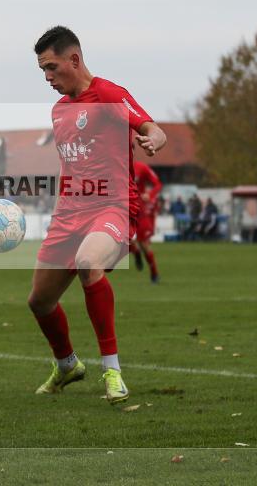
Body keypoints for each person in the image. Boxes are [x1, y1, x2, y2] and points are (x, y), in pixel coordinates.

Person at [27, 26, 166, 405]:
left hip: (113, 208)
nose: (48, 77)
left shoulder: (109, 95)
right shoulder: (58, 112)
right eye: (42, 70)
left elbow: (153, 128)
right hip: (69, 214)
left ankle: (113, 370)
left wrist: (151, 139)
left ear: (74, 59)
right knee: (39, 301)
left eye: (52, 67)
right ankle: (68, 364)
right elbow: (69, 169)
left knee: (90, 262)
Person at [131, 159, 162, 283]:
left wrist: (150, 194)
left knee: (144, 244)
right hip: (123, 209)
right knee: (123, 240)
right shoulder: (115, 167)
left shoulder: (141, 168)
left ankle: (154, 273)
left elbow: (158, 184)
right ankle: (135, 252)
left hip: (140, 211)